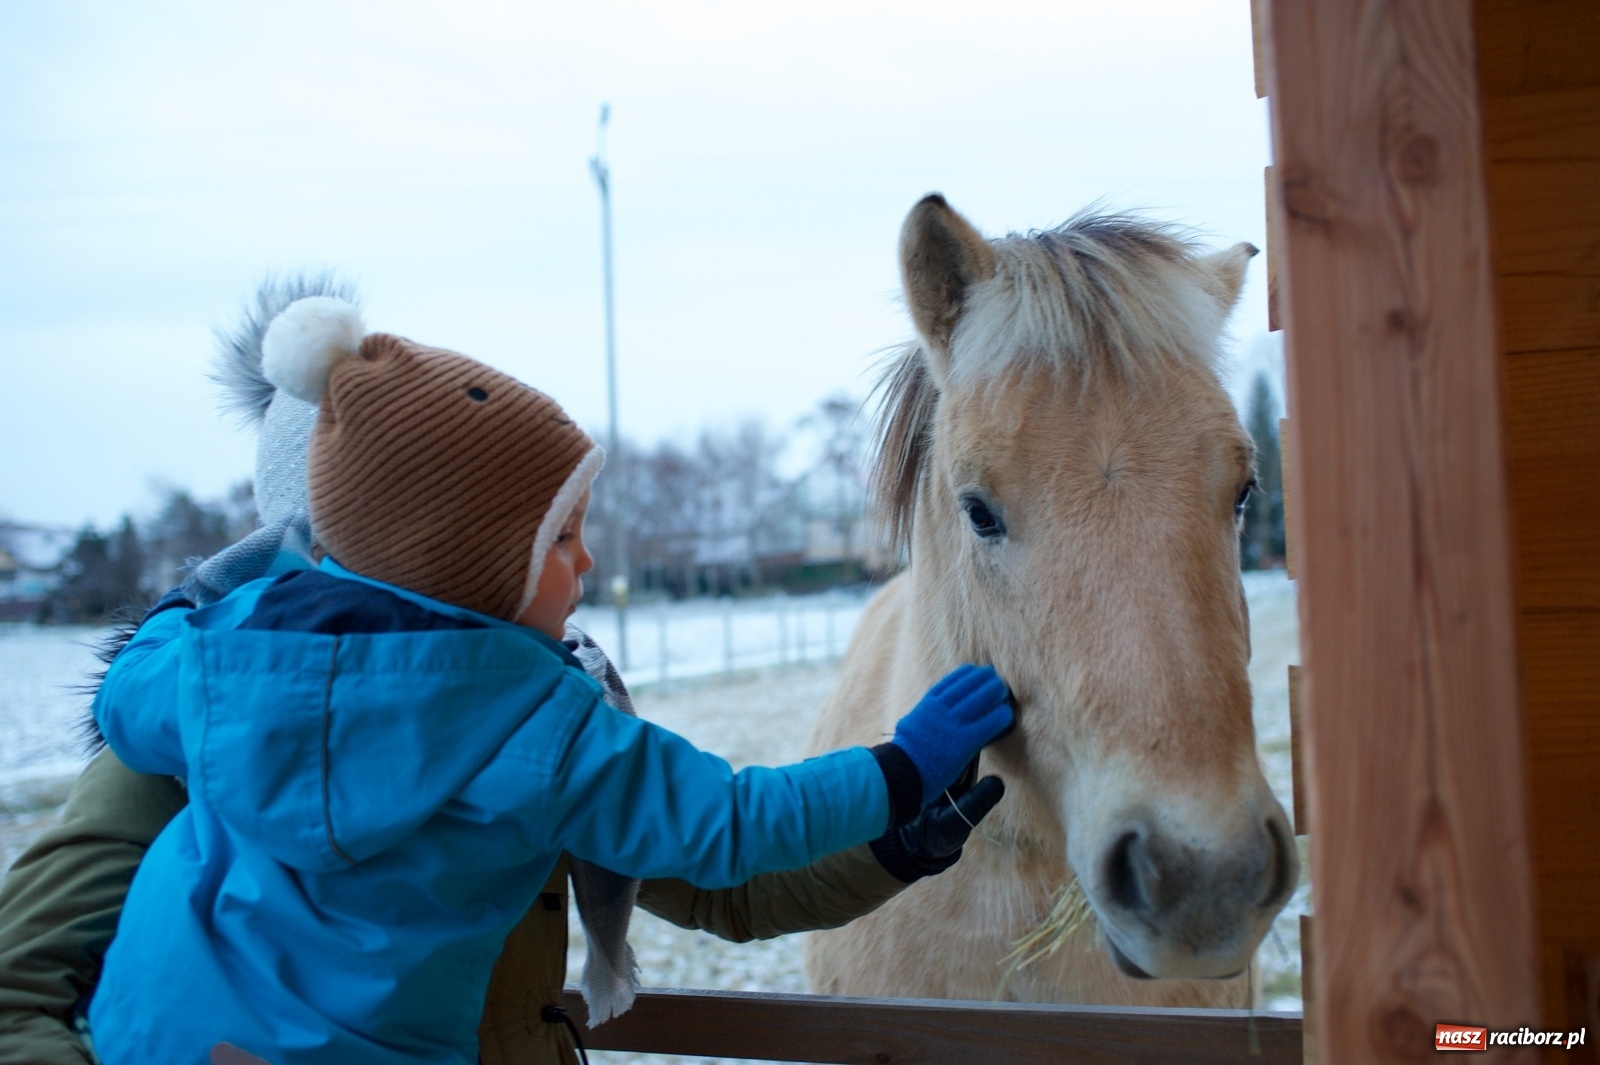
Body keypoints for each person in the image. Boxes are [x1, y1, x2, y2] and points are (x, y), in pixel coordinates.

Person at [60, 292, 1012, 1065]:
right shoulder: (542, 722)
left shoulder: (219, 663)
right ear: (463, 562)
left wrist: (193, 605)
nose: (588, 561)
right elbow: (730, 822)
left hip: (154, 1034)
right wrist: (897, 769)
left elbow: (126, 690)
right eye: (560, 538)